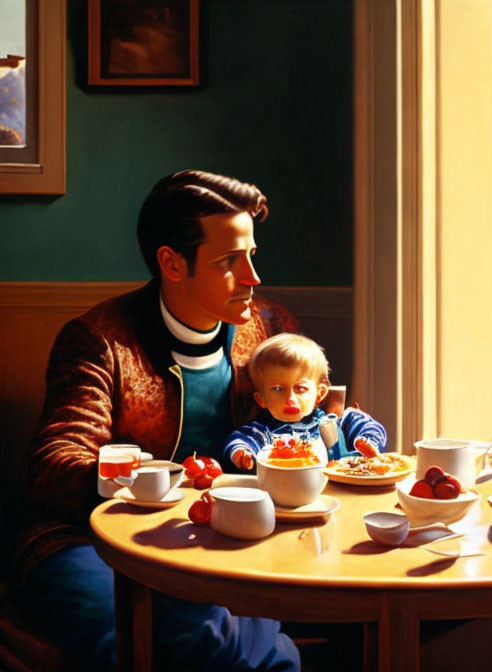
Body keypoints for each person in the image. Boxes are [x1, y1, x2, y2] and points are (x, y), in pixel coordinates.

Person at [12, 170, 301, 671]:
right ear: (171, 262)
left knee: (237, 638)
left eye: (251, 254)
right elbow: (53, 465)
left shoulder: (270, 329)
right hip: (90, 544)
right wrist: (158, 484)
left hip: (229, 542)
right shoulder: (100, 340)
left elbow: (306, 425)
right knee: (222, 641)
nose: (253, 276)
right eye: (230, 261)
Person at [223, 333, 387, 470]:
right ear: (261, 399)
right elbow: (239, 441)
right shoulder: (261, 431)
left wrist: (366, 441)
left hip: (336, 493)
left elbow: (370, 427)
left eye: (300, 389)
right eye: (278, 389)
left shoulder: (333, 422)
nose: (290, 399)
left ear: (319, 394)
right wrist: (242, 454)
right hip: (282, 498)